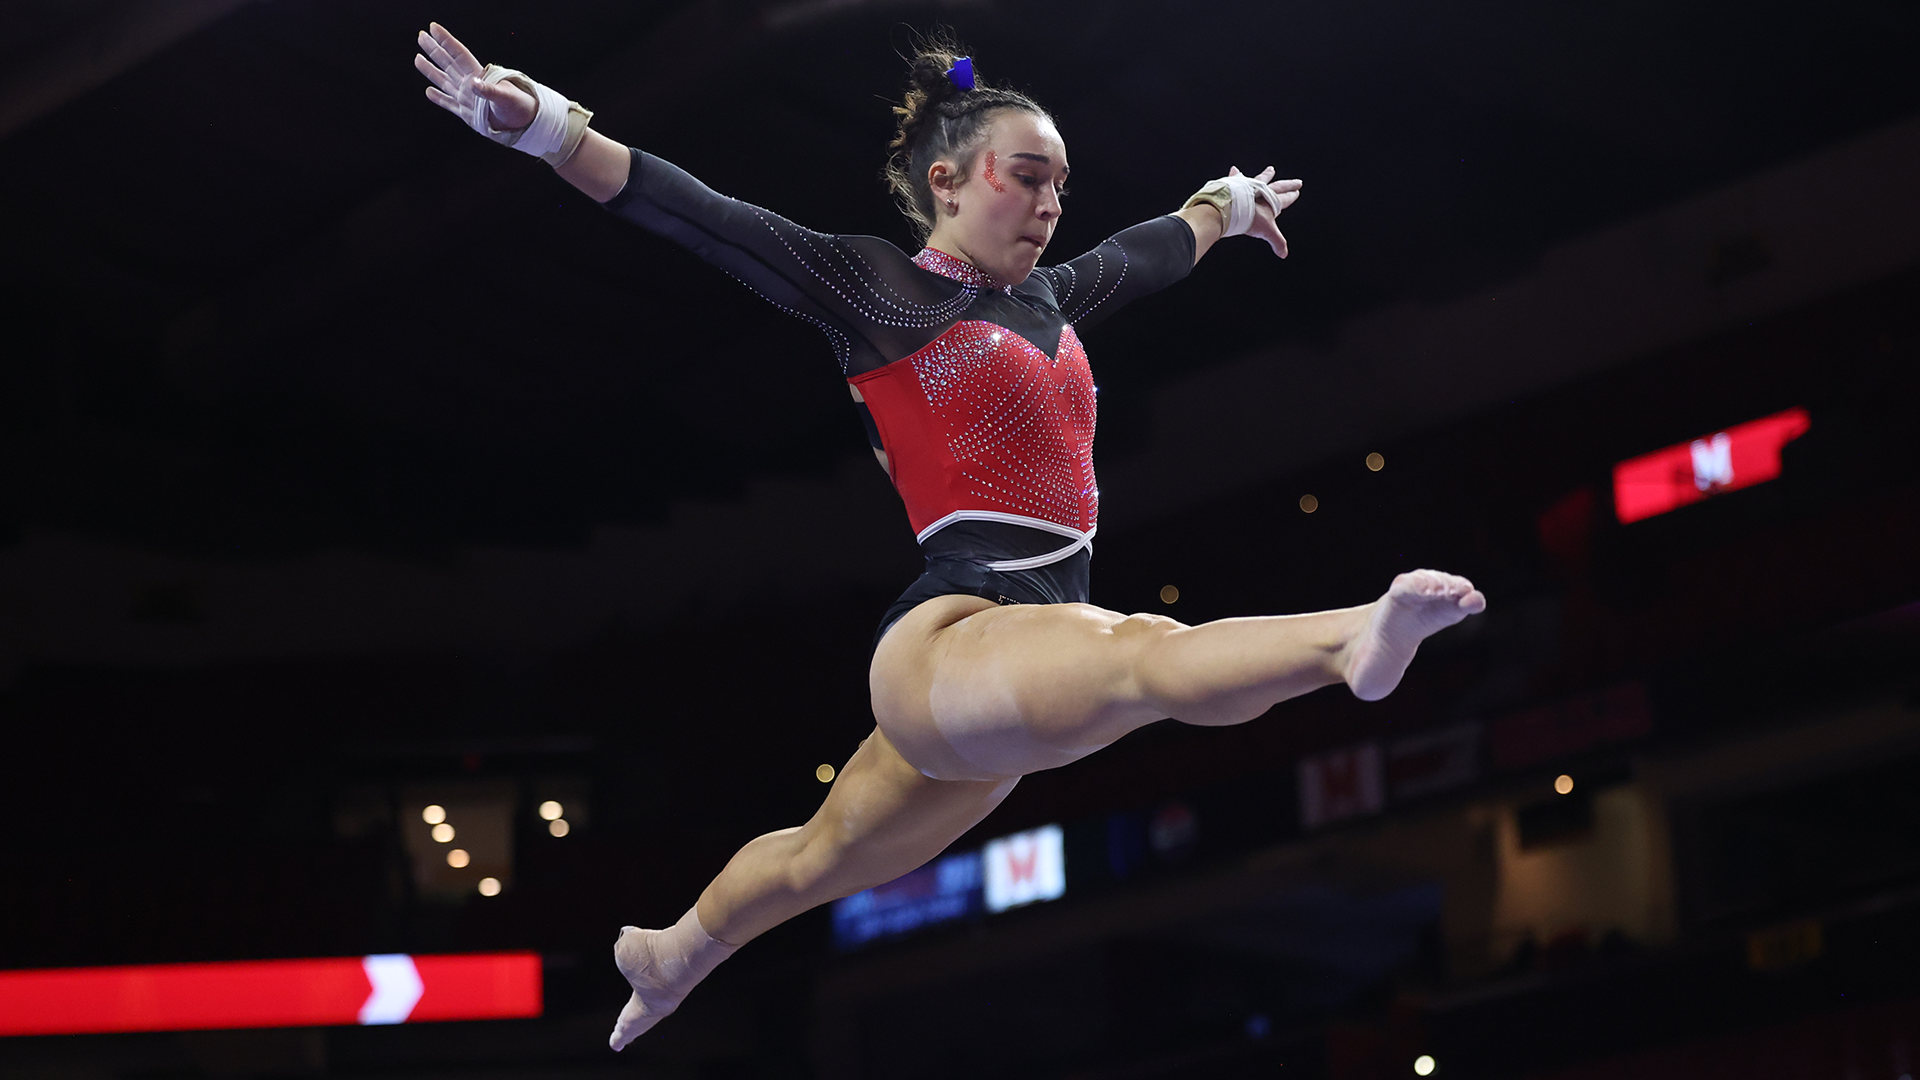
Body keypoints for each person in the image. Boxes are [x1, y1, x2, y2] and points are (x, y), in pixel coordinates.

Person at [412, 22, 1487, 1051]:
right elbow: (700, 214)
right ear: (948, 180)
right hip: (955, 632)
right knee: (1141, 658)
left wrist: (1226, 204)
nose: (1050, 204)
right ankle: (1352, 639)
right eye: (1026, 176)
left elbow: (1154, 251)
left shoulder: (1058, 301)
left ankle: (673, 953)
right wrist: (541, 124)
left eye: (1061, 183)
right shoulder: (879, 288)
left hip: (1009, 664)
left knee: (818, 860)